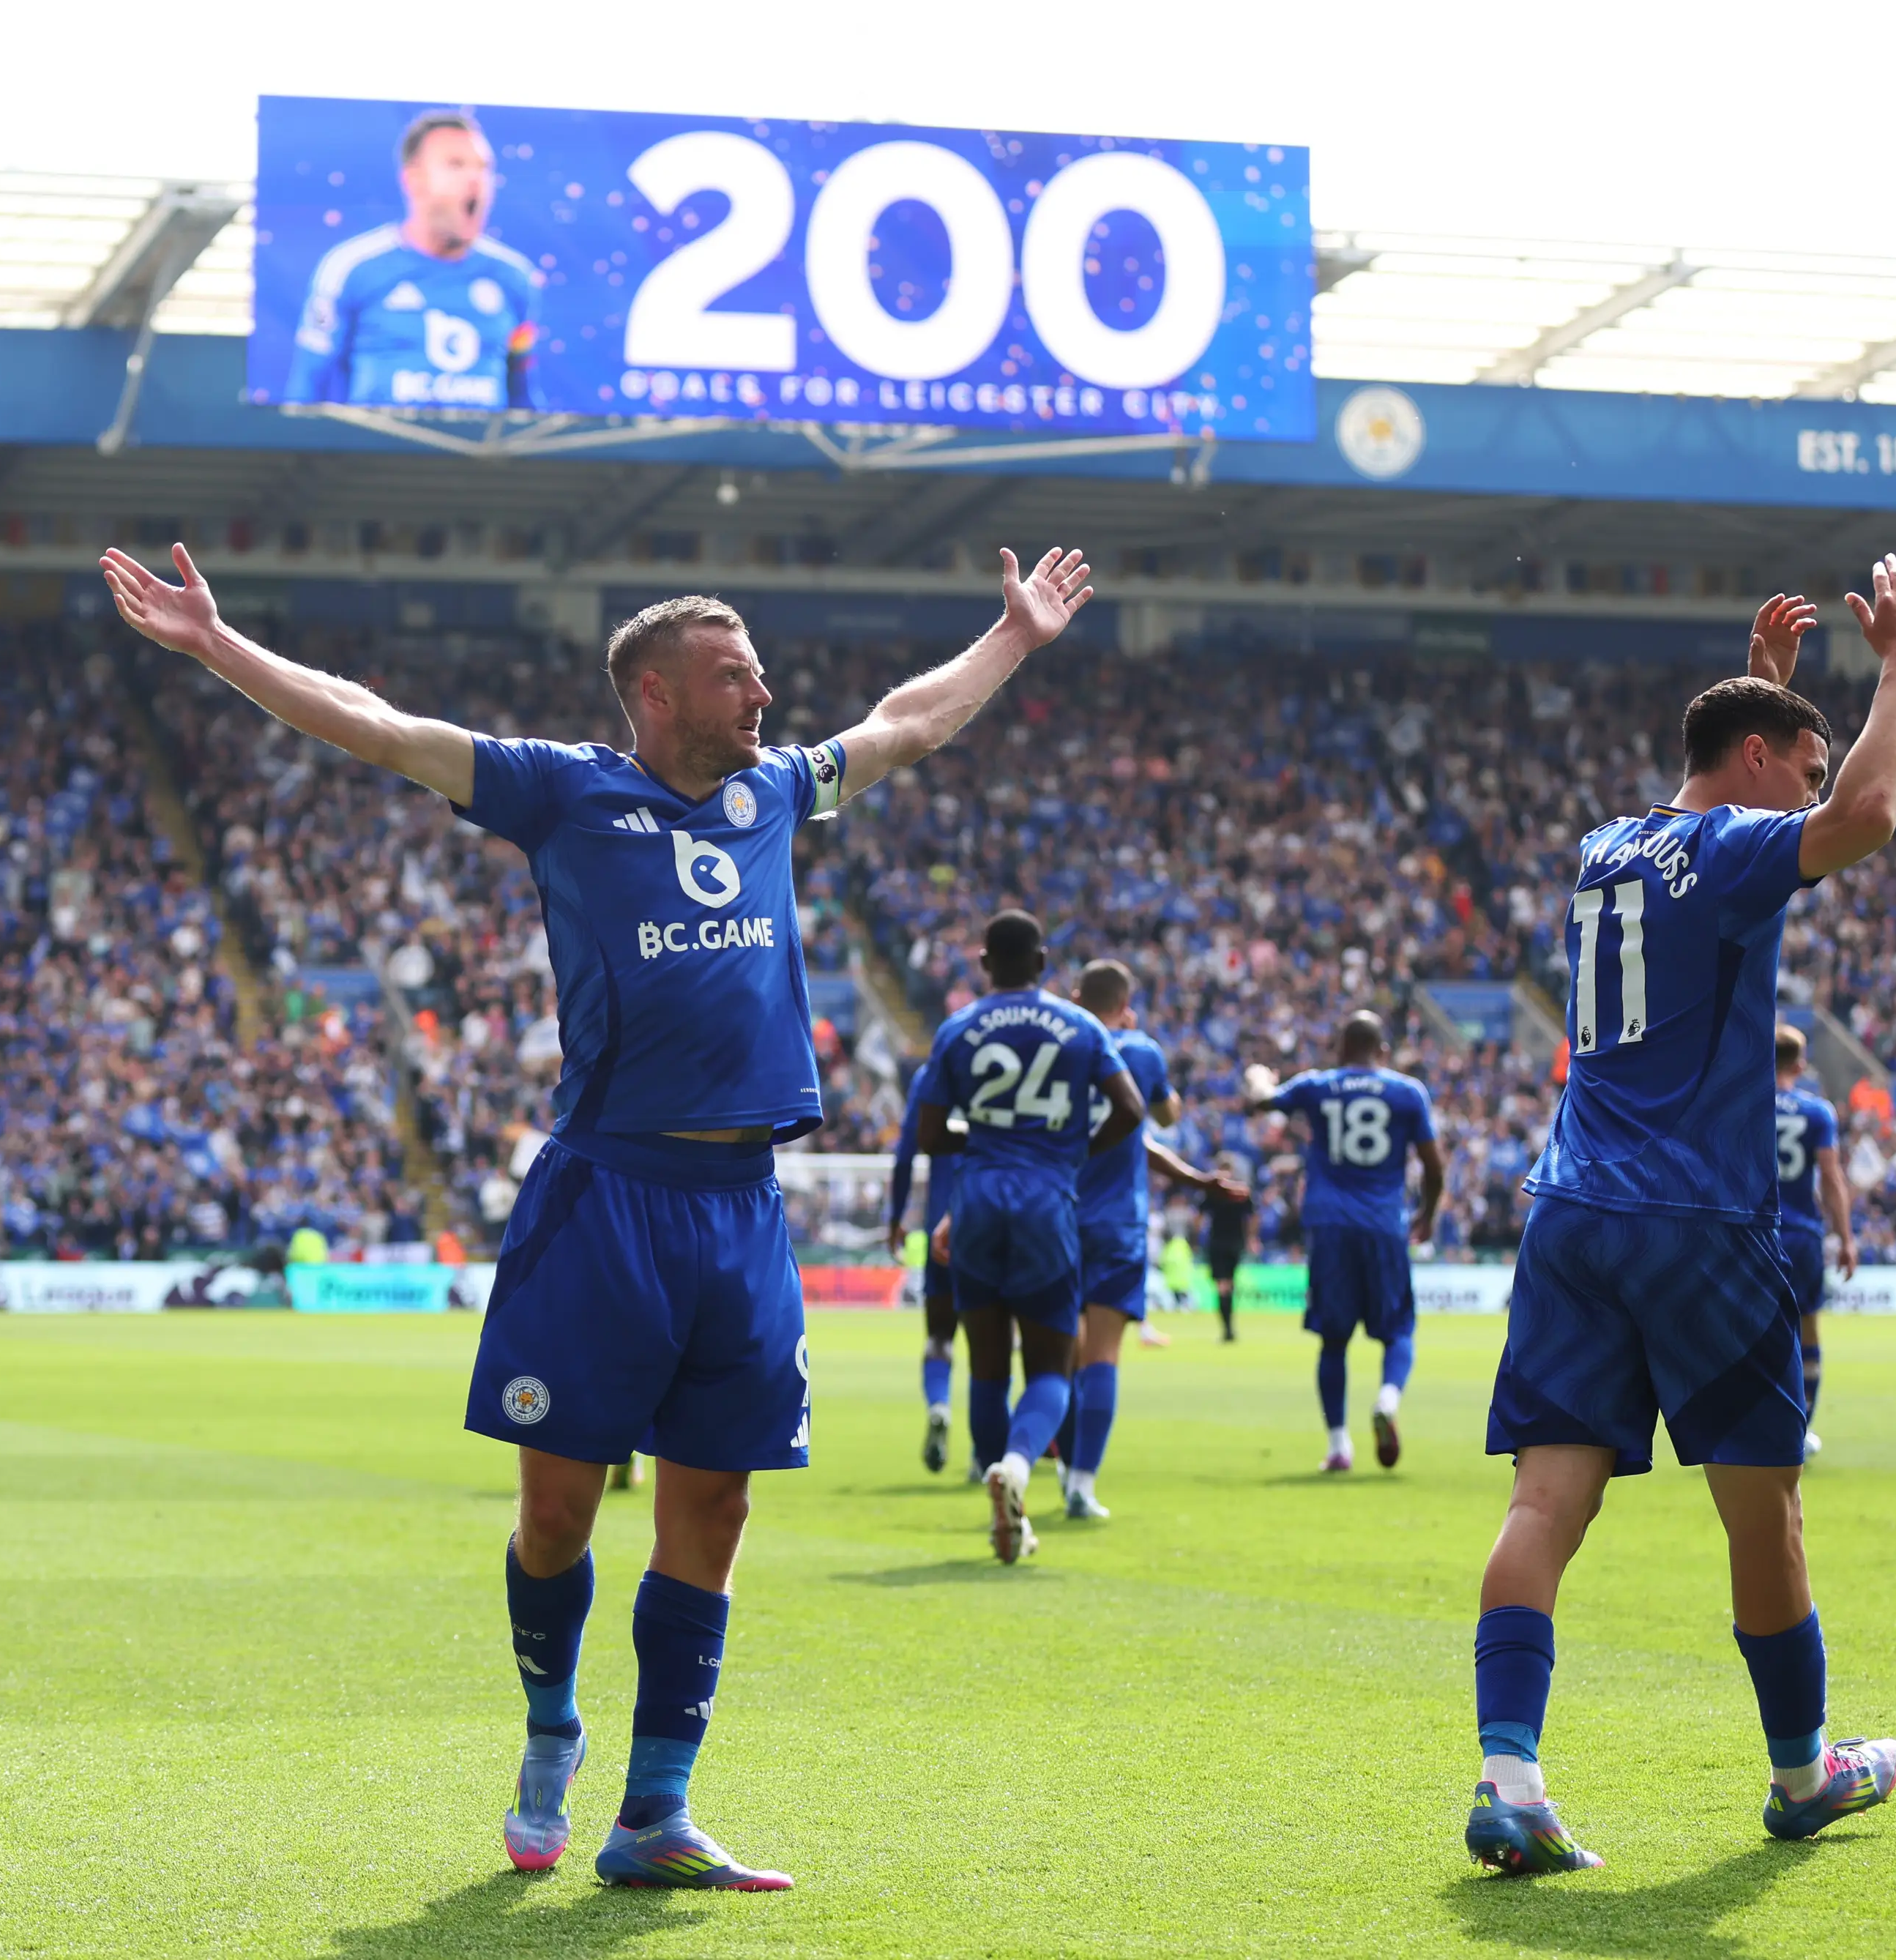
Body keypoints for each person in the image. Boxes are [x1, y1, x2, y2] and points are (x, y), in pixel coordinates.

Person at [100, 534, 1094, 1889]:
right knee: (558, 1515)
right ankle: (552, 1722)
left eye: (760, 673)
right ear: (659, 695)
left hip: (741, 1207)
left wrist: (1016, 639)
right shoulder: (562, 793)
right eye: (735, 677)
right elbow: (381, 729)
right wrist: (216, 645)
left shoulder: (776, 797)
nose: (764, 695)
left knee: (719, 1511)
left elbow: (907, 722)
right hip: (603, 1199)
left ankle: (656, 1812)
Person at [1466, 571, 1896, 1875]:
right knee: (1762, 1514)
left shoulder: (1600, 848)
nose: (1817, 779)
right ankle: (1802, 1774)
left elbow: (1716, 799)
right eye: (1803, 755)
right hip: (1696, 1219)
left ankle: (1510, 1778)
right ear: (1758, 757)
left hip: (1572, 1210)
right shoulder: (1732, 849)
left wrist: (1764, 686)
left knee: (1546, 1501)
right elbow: (1871, 816)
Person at [918, 912, 1144, 1564]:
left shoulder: (959, 1026)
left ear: (986, 962)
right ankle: (1017, 1468)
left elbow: (932, 1137)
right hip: (1047, 1199)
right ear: (1043, 961)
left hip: (979, 1201)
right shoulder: (1081, 1026)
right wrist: (1065, 1151)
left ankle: (998, 1487)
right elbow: (1129, 1109)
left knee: (987, 1364)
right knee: (1051, 1365)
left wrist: (990, 1141)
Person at [1059, 958, 1242, 1520]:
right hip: (1116, 1221)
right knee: (1104, 1355)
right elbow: (1161, 1115)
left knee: (1061, 1353)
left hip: (1055, 1216)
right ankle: (1082, 1486)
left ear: (1075, 996)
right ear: (1125, 1004)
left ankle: (1056, 1464)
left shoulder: (1055, 1045)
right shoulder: (1139, 1049)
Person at [1244, 1010, 1442, 1474]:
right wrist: (1427, 1215)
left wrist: (1257, 1076)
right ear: (1383, 1052)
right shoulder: (1407, 1092)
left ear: (1339, 1048)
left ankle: (1338, 1446)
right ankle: (1388, 1401)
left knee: (1333, 1341)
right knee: (1398, 1330)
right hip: (1383, 1225)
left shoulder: (1317, 1085)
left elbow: (1260, 1102)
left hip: (1328, 1224)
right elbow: (1434, 1167)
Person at [285, 108, 544, 411]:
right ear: (414, 179)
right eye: (456, 165)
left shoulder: (515, 277)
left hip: (482, 456)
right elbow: (306, 390)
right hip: (377, 455)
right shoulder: (351, 268)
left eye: (484, 168)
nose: (476, 180)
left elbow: (523, 394)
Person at [1772, 1025, 1856, 1458]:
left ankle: (1752, 1426)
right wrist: (1846, 1238)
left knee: (1753, 1329)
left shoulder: (1745, 1106)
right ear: (1800, 1065)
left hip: (1755, 1232)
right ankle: (1800, 1430)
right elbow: (1831, 1176)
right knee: (1807, 1329)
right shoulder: (1816, 1111)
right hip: (1802, 1234)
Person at [888, 1056, 965, 1475]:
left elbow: (905, 1154)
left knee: (940, 1334)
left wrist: (897, 1216)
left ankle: (939, 1405)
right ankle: (987, 1454)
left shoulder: (930, 1075)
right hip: (1000, 1214)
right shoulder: (1011, 1066)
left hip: (942, 1227)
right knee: (999, 1336)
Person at [1201, 1157, 1255, 1341]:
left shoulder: (1214, 1191)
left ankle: (1228, 1329)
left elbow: (1199, 1215)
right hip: (1234, 1243)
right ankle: (1229, 1329)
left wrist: (1197, 1236)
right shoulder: (1241, 1191)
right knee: (1228, 1285)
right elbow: (1253, 1216)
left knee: (1223, 1286)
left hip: (1218, 1243)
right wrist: (1251, 1238)